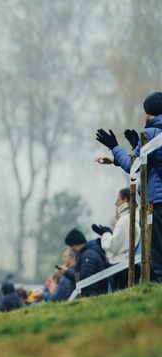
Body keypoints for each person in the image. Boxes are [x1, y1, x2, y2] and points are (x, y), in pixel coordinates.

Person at [95, 91, 162, 282]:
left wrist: (115, 147)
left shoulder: (151, 134)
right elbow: (150, 166)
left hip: (157, 202)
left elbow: (133, 166)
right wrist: (134, 148)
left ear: (148, 113)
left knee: (156, 254)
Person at [92, 188, 140, 290]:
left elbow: (113, 246)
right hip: (128, 264)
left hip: (122, 266)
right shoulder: (133, 217)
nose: (116, 204)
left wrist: (105, 235)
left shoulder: (124, 221)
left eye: (117, 200)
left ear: (125, 200)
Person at [65, 228, 108, 297]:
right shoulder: (85, 254)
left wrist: (67, 272)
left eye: (70, 246)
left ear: (74, 244)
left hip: (92, 296)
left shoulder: (88, 255)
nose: (71, 249)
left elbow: (84, 278)